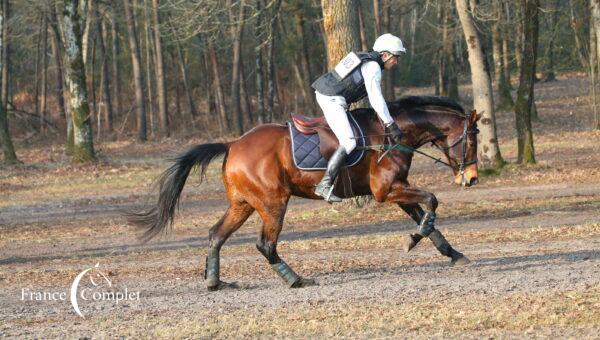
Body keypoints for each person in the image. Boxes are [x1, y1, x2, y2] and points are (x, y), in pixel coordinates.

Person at [311, 33, 406, 203]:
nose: (396, 62)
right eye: (395, 57)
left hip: (328, 93)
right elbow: (376, 100)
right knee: (349, 142)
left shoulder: (365, 58)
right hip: (332, 99)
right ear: (384, 55)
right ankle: (324, 184)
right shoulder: (373, 67)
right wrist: (390, 124)